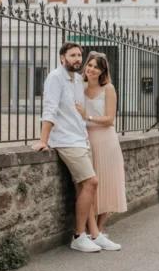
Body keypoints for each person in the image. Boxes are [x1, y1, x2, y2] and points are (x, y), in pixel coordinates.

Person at [33, 42, 114, 253]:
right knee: (91, 181)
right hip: (65, 141)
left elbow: (80, 110)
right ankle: (78, 236)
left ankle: (93, 234)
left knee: (83, 187)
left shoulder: (78, 80)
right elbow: (50, 109)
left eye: (79, 55)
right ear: (62, 57)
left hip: (80, 138)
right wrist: (44, 140)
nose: (77, 59)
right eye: (72, 55)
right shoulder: (55, 78)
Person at [76, 51, 127, 250]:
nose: (91, 69)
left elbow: (109, 119)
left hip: (106, 140)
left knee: (108, 183)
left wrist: (87, 116)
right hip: (86, 140)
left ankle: (99, 230)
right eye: (89, 65)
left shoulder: (109, 89)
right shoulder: (79, 87)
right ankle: (91, 232)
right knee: (90, 186)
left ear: (103, 71)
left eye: (96, 67)